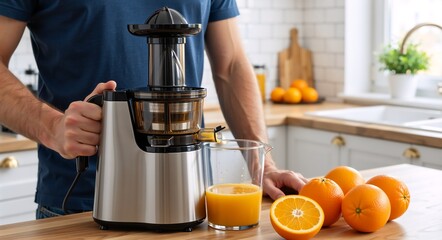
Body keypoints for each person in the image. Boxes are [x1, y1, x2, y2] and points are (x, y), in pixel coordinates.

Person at [0, 1, 307, 219]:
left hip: (192, 201)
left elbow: (231, 65)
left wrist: (263, 166)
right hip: (80, 203)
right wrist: (51, 126)